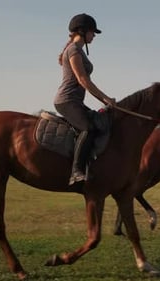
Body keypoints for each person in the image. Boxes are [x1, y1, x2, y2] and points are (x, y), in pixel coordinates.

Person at [54, 13, 116, 185]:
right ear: (82, 31)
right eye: (92, 31)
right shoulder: (73, 50)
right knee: (88, 129)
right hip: (66, 101)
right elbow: (83, 80)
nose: (94, 35)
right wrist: (105, 99)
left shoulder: (78, 50)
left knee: (100, 123)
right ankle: (76, 172)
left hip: (75, 102)